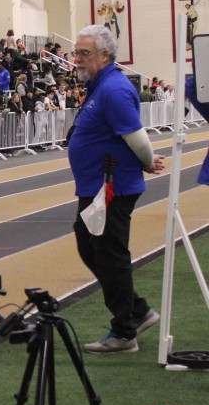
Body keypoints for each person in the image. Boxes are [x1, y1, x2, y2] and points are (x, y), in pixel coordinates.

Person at [68, 25, 164, 354]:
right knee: (90, 246)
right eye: (76, 53)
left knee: (110, 256)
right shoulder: (101, 86)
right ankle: (137, 310)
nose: (77, 59)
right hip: (96, 187)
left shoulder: (113, 89)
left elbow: (135, 135)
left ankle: (125, 331)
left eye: (84, 53)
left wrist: (147, 161)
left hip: (111, 188)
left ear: (105, 55)